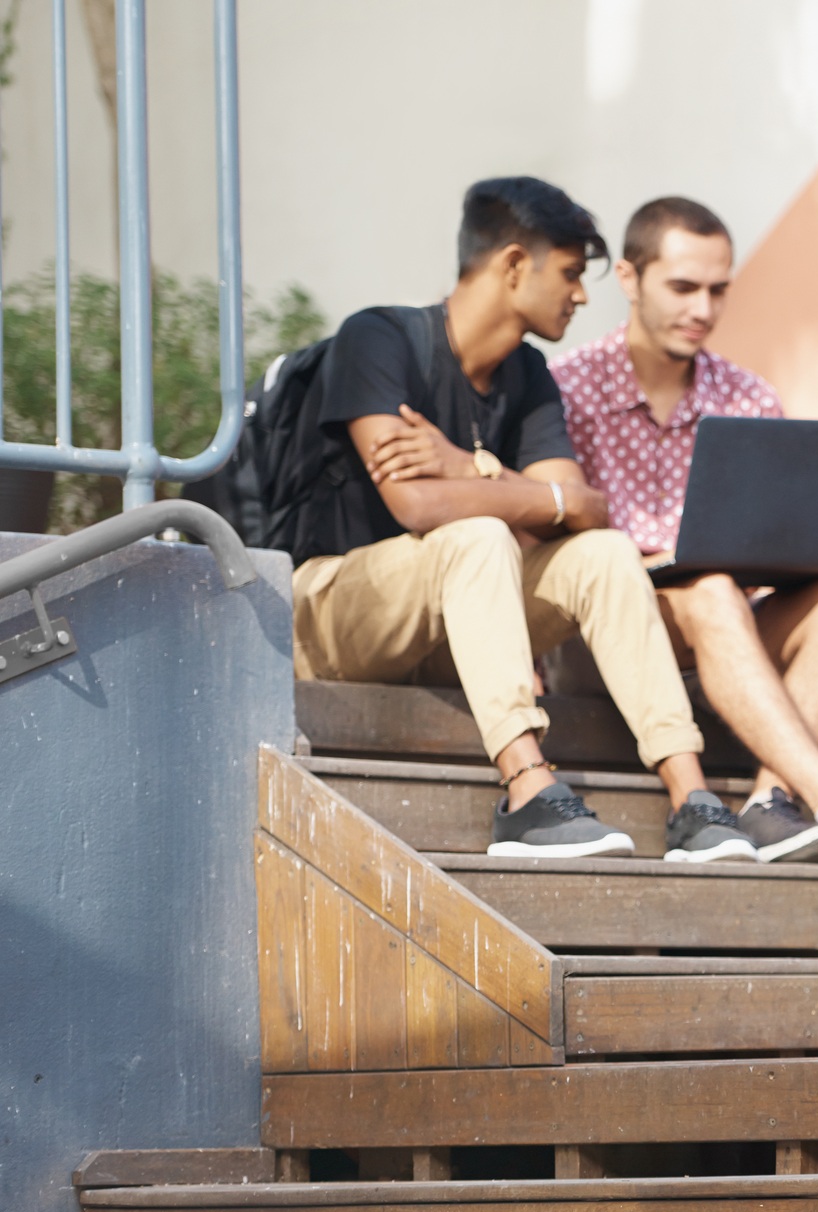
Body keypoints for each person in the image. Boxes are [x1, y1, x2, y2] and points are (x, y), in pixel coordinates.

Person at [291, 177, 754, 863]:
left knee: (603, 554)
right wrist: (523, 496)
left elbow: (588, 510)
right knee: (476, 535)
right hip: (335, 612)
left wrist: (467, 467)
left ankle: (691, 798)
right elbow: (414, 506)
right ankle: (527, 790)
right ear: (513, 265)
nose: (582, 294)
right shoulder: (379, 338)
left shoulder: (529, 375)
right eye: (569, 272)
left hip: (453, 623)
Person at [552, 197, 818, 868]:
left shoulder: (749, 398)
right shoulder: (565, 389)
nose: (703, 308)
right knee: (708, 587)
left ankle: (770, 803)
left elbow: (776, 540)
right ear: (628, 278)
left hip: (725, 625)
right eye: (683, 287)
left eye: (718, 290)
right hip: (604, 640)